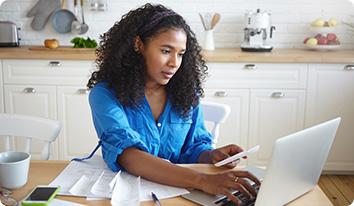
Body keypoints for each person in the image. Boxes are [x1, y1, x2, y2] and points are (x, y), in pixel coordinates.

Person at [86, 3, 260, 205]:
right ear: (139, 45)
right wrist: (203, 180)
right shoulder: (105, 94)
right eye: (166, 51)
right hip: (131, 198)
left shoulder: (186, 92)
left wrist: (210, 155)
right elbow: (129, 156)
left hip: (181, 195)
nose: (174, 63)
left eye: (180, 54)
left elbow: (193, 147)